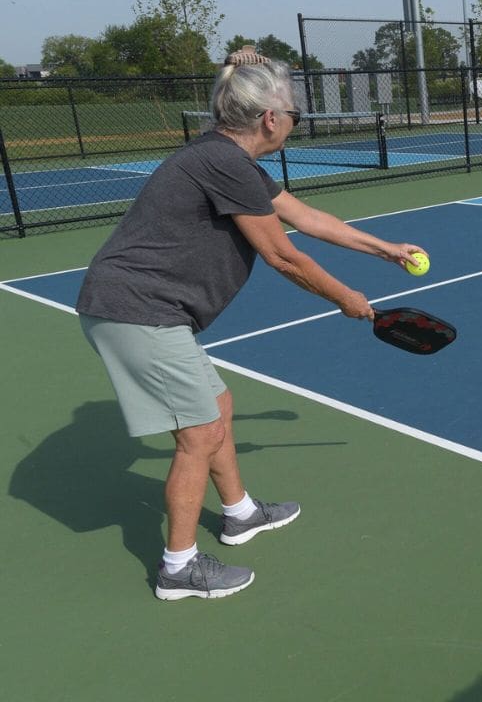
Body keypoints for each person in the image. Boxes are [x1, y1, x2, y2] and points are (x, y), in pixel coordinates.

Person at [76, 47, 427, 601]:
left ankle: (239, 514)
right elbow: (283, 255)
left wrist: (385, 250)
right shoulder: (223, 163)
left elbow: (307, 217)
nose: (293, 121)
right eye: (292, 112)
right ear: (269, 119)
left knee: (217, 408)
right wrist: (346, 299)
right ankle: (178, 567)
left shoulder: (228, 160)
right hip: (136, 309)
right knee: (199, 435)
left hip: (146, 309)